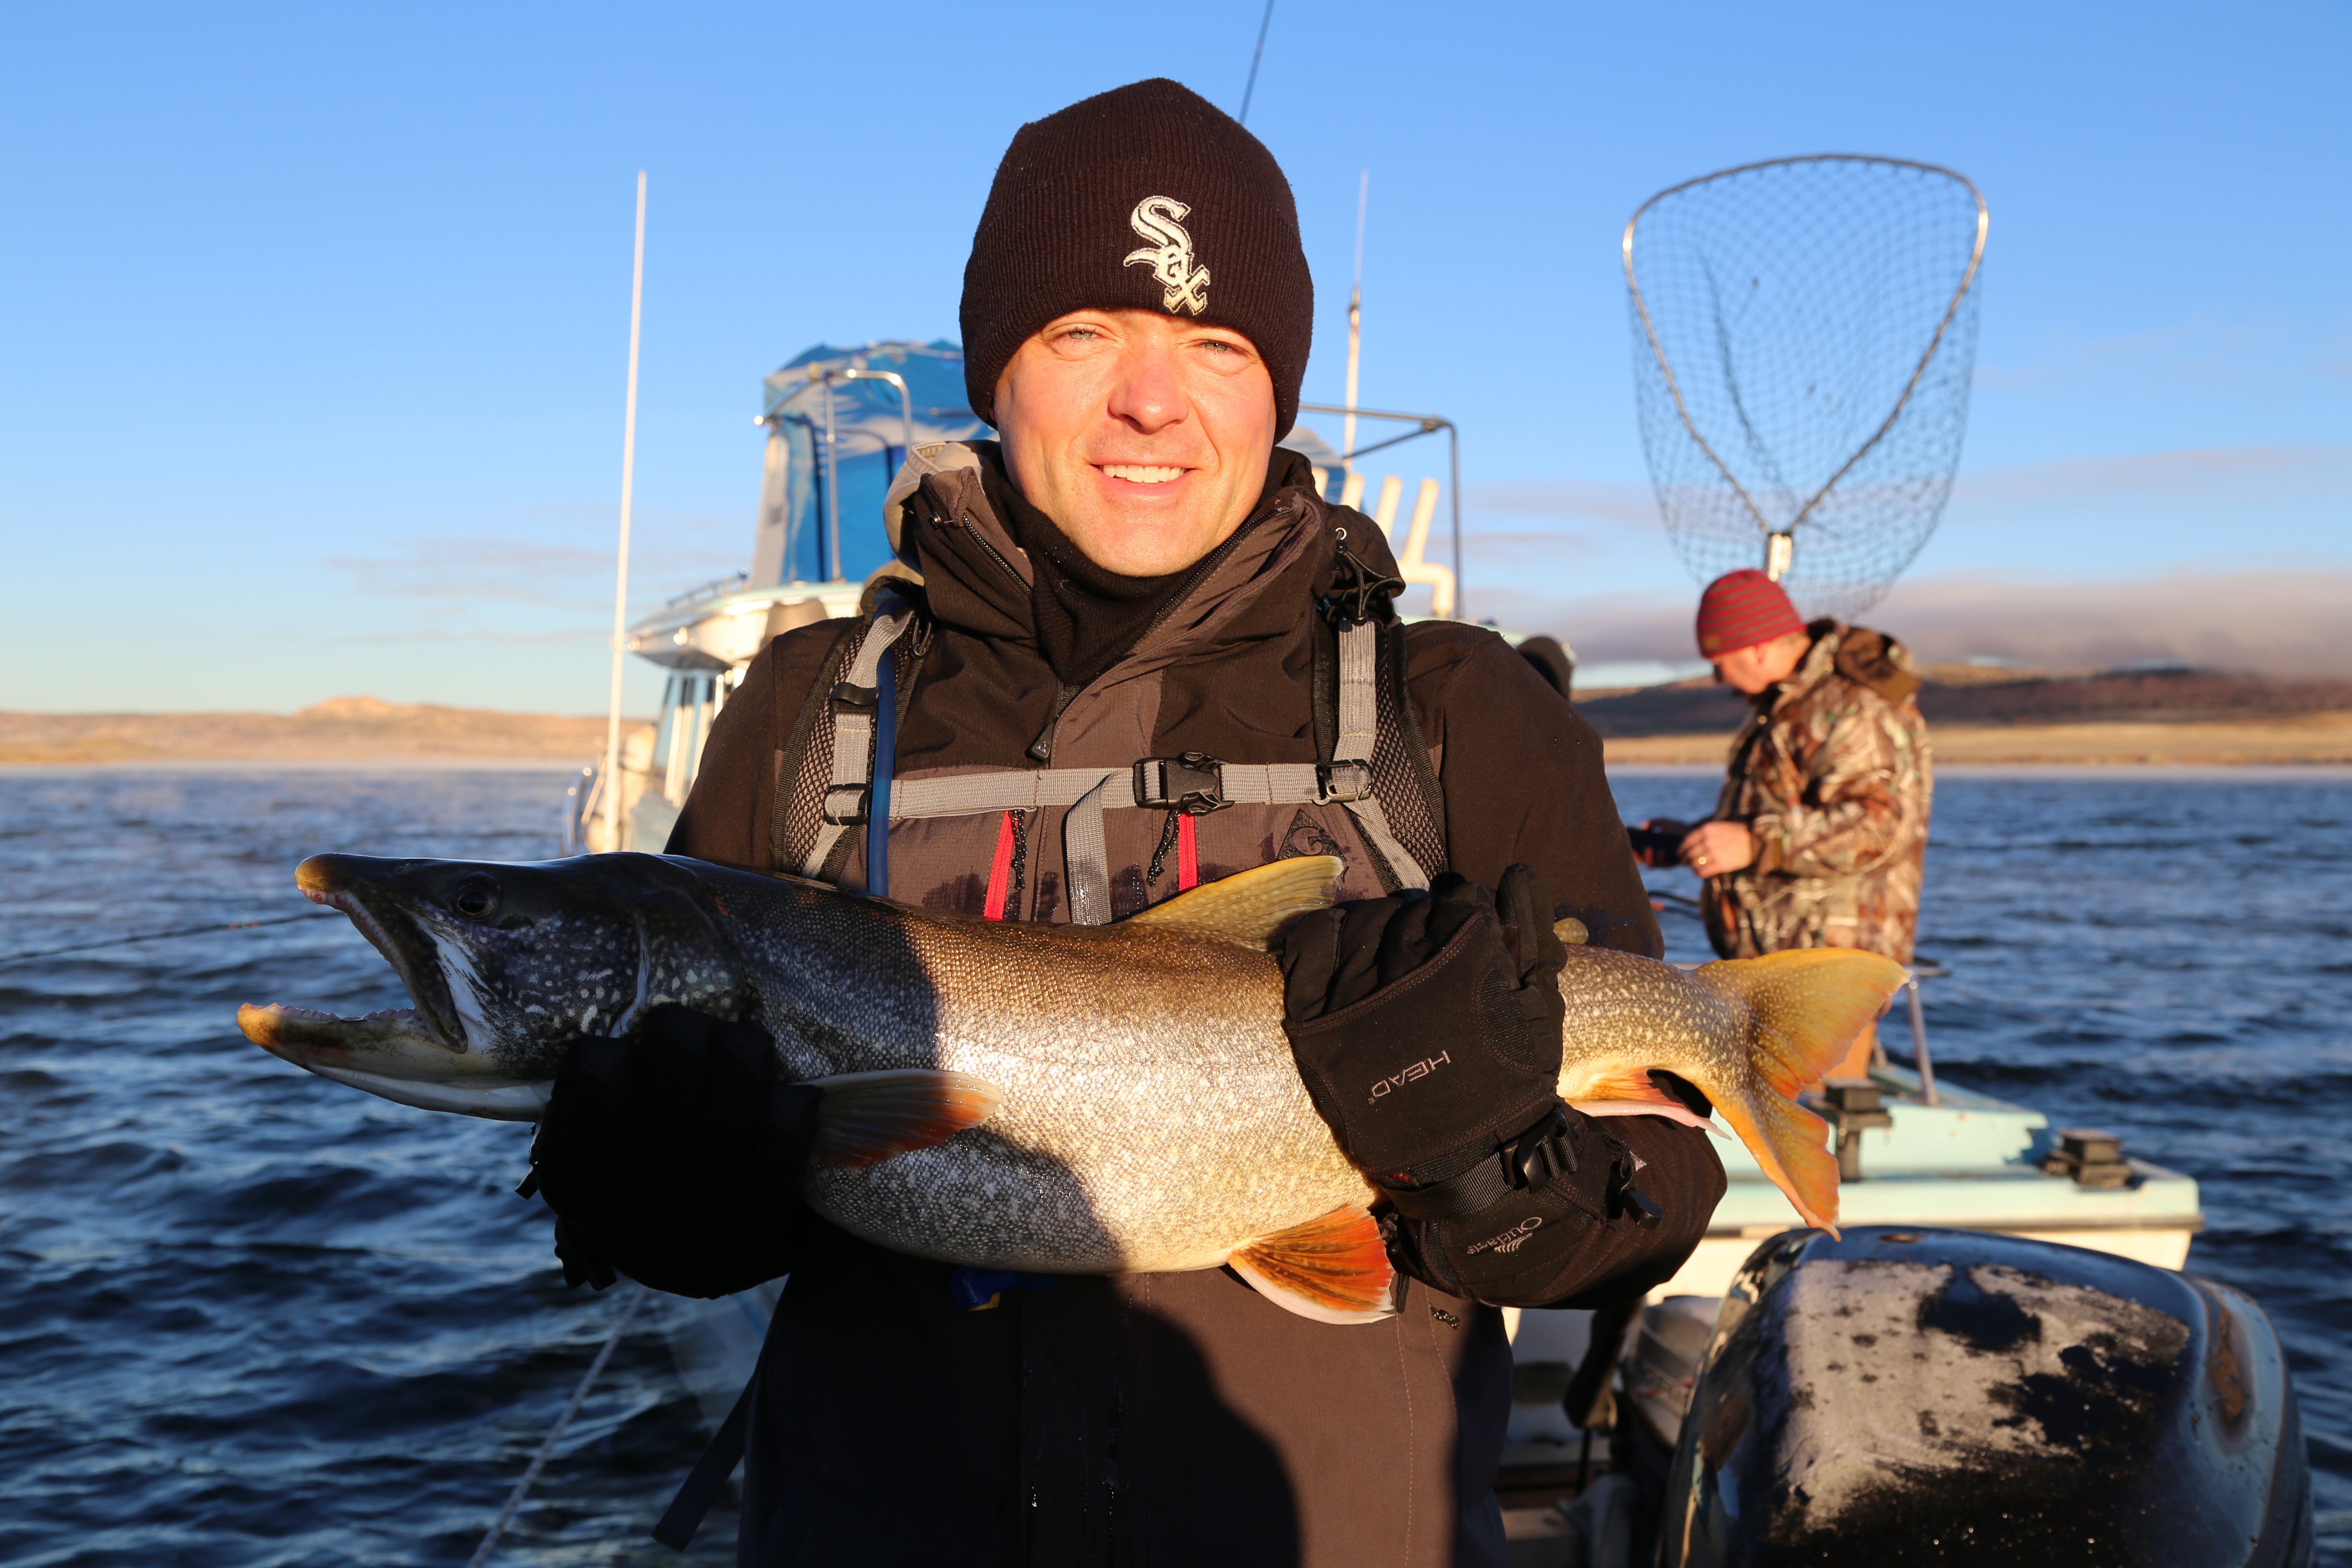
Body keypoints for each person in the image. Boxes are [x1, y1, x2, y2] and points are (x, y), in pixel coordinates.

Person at [532, 79, 1723, 1567]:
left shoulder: (1462, 712)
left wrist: (1488, 1174)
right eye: (1081, 332)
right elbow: (736, 1225)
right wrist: (664, 1201)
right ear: (998, 371)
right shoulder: (803, 709)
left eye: (1215, 345)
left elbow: (1659, 1192)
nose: (1149, 399)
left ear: (1273, 388)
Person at [1635, 569, 1933, 1079]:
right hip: (1778, 974)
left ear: (1755, 648)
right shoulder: (1791, 704)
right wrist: (1702, 837)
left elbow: (1879, 826)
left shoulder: (1853, 704)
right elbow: (1786, 810)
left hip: (1826, 983)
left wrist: (1755, 842)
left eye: (1719, 661)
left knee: (1810, 1130)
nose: (1718, 678)